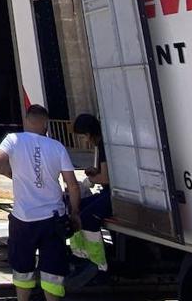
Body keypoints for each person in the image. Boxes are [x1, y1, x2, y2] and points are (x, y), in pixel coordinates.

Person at [0, 104, 81, 301]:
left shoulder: (14, 139)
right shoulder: (56, 146)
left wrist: (11, 174)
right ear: (46, 124)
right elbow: (72, 185)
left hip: (23, 217)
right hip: (53, 218)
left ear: (27, 120)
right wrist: (75, 213)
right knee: (53, 270)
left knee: (22, 267)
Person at [69, 113, 111, 275]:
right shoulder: (101, 145)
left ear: (88, 133)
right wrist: (94, 173)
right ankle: (80, 253)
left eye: (83, 137)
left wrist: (92, 178)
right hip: (108, 191)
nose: (85, 141)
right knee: (76, 208)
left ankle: (98, 262)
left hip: (113, 194)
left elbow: (106, 178)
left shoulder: (103, 145)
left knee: (86, 218)